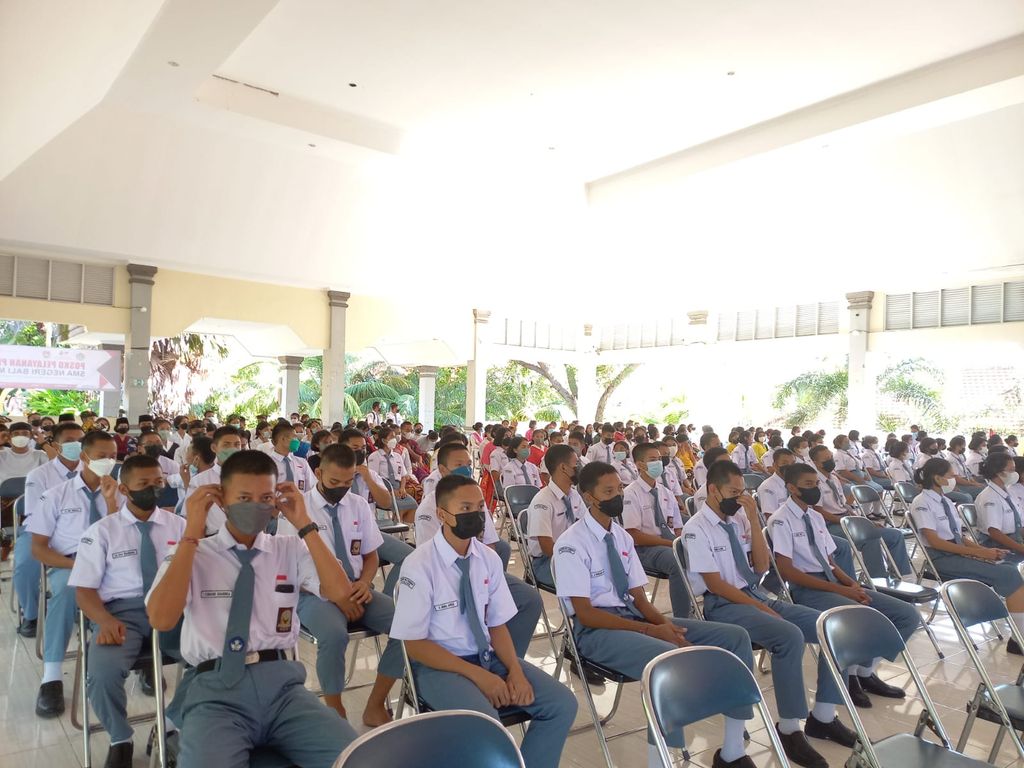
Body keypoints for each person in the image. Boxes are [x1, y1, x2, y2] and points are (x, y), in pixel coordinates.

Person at [146, 450, 358, 767]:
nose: (255, 505)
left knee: (354, 758)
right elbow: (162, 619)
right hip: (216, 692)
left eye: (265, 497)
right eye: (244, 497)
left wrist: (304, 523)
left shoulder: (288, 548)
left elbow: (341, 592)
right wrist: (192, 530)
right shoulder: (194, 553)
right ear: (221, 499)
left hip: (285, 690)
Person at [557, 461, 759, 768]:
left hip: (633, 619)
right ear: (587, 497)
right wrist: (655, 632)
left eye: (619, 490)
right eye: (607, 491)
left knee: (734, 637)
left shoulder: (621, 537)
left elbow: (640, 598)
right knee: (668, 659)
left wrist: (666, 625)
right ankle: (661, 761)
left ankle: (732, 751)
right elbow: (585, 614)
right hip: (596, 632)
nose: (617, 496)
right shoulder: (571, 544)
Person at [390, 474, 577, 768]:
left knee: (562, 704)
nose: (475, 515)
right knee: (488, 726)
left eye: (479, 507)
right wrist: (479, 676)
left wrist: (514, 669)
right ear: (442, 514)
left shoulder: (486, 558)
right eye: (465, 508)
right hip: (438, 667)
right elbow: (414, 645)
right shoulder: (420, 565)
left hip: (487, 657)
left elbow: (496, 624)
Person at [683, 461, 856, 768]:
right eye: (734, 492)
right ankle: (790, 729)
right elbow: (715, 585)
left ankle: (824, 716)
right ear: (713, 490)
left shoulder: (738, 520)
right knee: (788, 635)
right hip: (723, 605)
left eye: (742, 492)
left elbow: (761, 568)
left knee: (831, 626)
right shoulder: (696, 529)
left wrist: (751, 516)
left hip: (753, 595)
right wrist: (761, 607)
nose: (739, 498)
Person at [68, 455, 185, 768]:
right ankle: (120, 737)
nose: (153, 489)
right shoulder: (103, 531)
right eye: (143, 484)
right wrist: (103, 620)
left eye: (158, 482)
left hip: (172, 608)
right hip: (122, 613)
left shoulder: (180, 525)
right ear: (123, 488)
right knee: (102, 673)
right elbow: (84, 589)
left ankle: (170, 724)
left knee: (212, 659)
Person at [768, 463, 918, 709]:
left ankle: (864, 670)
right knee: (857, 619)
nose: (814, 489)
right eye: (808, 485)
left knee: (906, 614)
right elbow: (787, 570)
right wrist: (842, 590)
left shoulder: (815, 517)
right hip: (808, 589)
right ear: (792, 488)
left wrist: (850, 582)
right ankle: (839, 692)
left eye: (816, 484)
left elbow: (829, 560)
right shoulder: (781, 521)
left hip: (833, 581)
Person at [277, 444, 402, 727]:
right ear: (318, 472)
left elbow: (370, 554)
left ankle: (375, 704)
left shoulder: (357, 503)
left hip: (358, 587)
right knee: (334, 636)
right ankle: (334, 710)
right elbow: (293, 567)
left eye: (347, 482)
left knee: (408, 624)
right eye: (334, 482)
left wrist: (365, 583)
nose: (342, 488)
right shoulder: (298, 509)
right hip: (314, 593)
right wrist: (335, 594)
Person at [414, 444, 541, 656]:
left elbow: (489, 543)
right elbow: (430, 558)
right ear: (443, 470)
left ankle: (508, 659)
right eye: (458, 465)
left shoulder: (475, 500)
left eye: (468, 464)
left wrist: (487, 582)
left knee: (529, 599)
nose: (465, 469)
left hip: (479, 568)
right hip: (446, 576)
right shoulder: (429, 508)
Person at [29, 430, 122, 717]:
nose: (108, 461)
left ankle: (140, 662)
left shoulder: (120, 493)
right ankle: (52, 677)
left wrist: (110, 504)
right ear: (84, 457)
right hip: (69, 562)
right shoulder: (55, 495)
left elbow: (120, 537)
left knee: (138, 590)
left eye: (113, 456)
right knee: (69, 591)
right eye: (101, 456)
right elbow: (39, 549)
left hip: (111, 563)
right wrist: (77, 566)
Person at [910, 457, 1024, 654]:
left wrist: (983, 552)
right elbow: (936, 542)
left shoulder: (945, 500)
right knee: (1009, 573)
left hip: (956, 552)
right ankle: (1019, 640)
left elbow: (959, 537)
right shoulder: (922, 502)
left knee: (1008, 568)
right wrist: (978, 552)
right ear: (937, 478)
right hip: (941, 558)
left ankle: (1017, 637)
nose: (954, 479)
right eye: (950, 476)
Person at [16, 421, 86, 638]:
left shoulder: (92, 472)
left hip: (80, 529)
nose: (76, 445)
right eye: (69, 441)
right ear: (56, 445)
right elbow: (36, 515)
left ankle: (84, 606)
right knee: (25, 563)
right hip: (41, 530)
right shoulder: (39, 475)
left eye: (80, 441)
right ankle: (31, 613)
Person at [809, 445, 913, 578]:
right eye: (826, 459)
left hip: (846, 519)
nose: (831, 460)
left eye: (831, 457)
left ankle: (899, 577)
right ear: (816, 462)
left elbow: (844, 506)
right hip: (830, 524)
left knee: (895, 535)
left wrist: (863, 521)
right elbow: (818, 511)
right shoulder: (814, 482)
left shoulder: (834, 478)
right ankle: (878, 579)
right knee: (869, 538)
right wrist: (847, 521)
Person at [756, 448, 857, 576]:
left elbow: (808, 510)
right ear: (775, 465)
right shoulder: (768, 487)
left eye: (792, 463)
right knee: (829, 550)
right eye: (784, 463)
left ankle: (846, 580)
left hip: (807, 526)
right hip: (787, 532)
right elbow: (769, 516)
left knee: (840, 548)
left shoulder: (802, 487)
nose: (789, 467)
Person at [622, 442, 691, 620]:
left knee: (701, 551)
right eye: (653, 460)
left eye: (659, 459)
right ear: (639, 465)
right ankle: (683, 617)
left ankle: (713, 604)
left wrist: (680, 542)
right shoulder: (631, 494)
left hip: (667, 544)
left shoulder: (665, 492)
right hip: (644, 549)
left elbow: (677, 527)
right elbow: (633, 535)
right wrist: (671, 544)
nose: (658, 463)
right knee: (677, 561)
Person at [525, 445, 583, 586]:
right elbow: (546, 546)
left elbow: (584, 527)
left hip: (574, 555)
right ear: (563, 468)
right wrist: (574, 559)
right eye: (576, 464)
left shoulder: (574, 495)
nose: (579, 468)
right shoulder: (543, 501)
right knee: (584, 582)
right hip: (546, 561)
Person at [975, 452, 1024, 561]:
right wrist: (1021, 548)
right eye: (1011, 470)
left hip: (1014, 539)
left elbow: (1018, 524)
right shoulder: (989, 497)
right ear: (999, 473)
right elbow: (995, 533)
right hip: (998, 545)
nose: (1015, 473)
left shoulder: (1007, 492)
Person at [367, 426, 417, 520]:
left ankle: (407, 532)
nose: (395, 439)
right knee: (400, 507)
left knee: (413, 505)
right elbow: (373, 478)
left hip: (398, 489)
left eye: (395, 437)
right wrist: (389, 491)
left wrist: (402, 488)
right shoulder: (375, 456)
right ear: (383, 440)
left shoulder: (397, 456)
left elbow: (403, 476)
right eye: (391, 437)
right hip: (383, 491)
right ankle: (397, 530)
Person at [268, 421, 315, 493]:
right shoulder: (266, 464)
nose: (297, 441)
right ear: (283, 439)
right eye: (294, 437)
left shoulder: (302, 462)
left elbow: (312, 488)